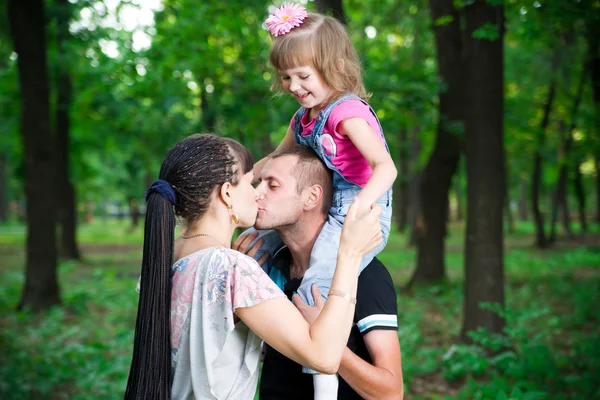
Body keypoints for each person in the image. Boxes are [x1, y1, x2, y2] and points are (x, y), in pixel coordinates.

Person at [123, 134, 383, 400]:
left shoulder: (164, 258)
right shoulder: (231, 268)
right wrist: (350, 254)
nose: (257, 193)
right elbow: (325, 357)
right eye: (250, 182)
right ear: (227, 194)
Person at [251, 3, 398, 395]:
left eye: (303, 75)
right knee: (257, 244)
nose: (294, 86)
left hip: (361, 208)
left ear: (331, 66)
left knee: (316, 284)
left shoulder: (347, 112)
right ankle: (267, 344)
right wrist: (243, 181)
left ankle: (323, 380)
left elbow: (386, 168)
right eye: (286, 77)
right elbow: (277, 158)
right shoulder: (302, 119)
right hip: (330, 204)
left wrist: (357, 214)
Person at [235, 146, 404, 399]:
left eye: (273, 185)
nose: (258, 194)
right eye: (259, 183)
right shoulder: (266, 266)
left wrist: (323, 340)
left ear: (311, 197)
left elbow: (390, 392)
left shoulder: (363, 273)